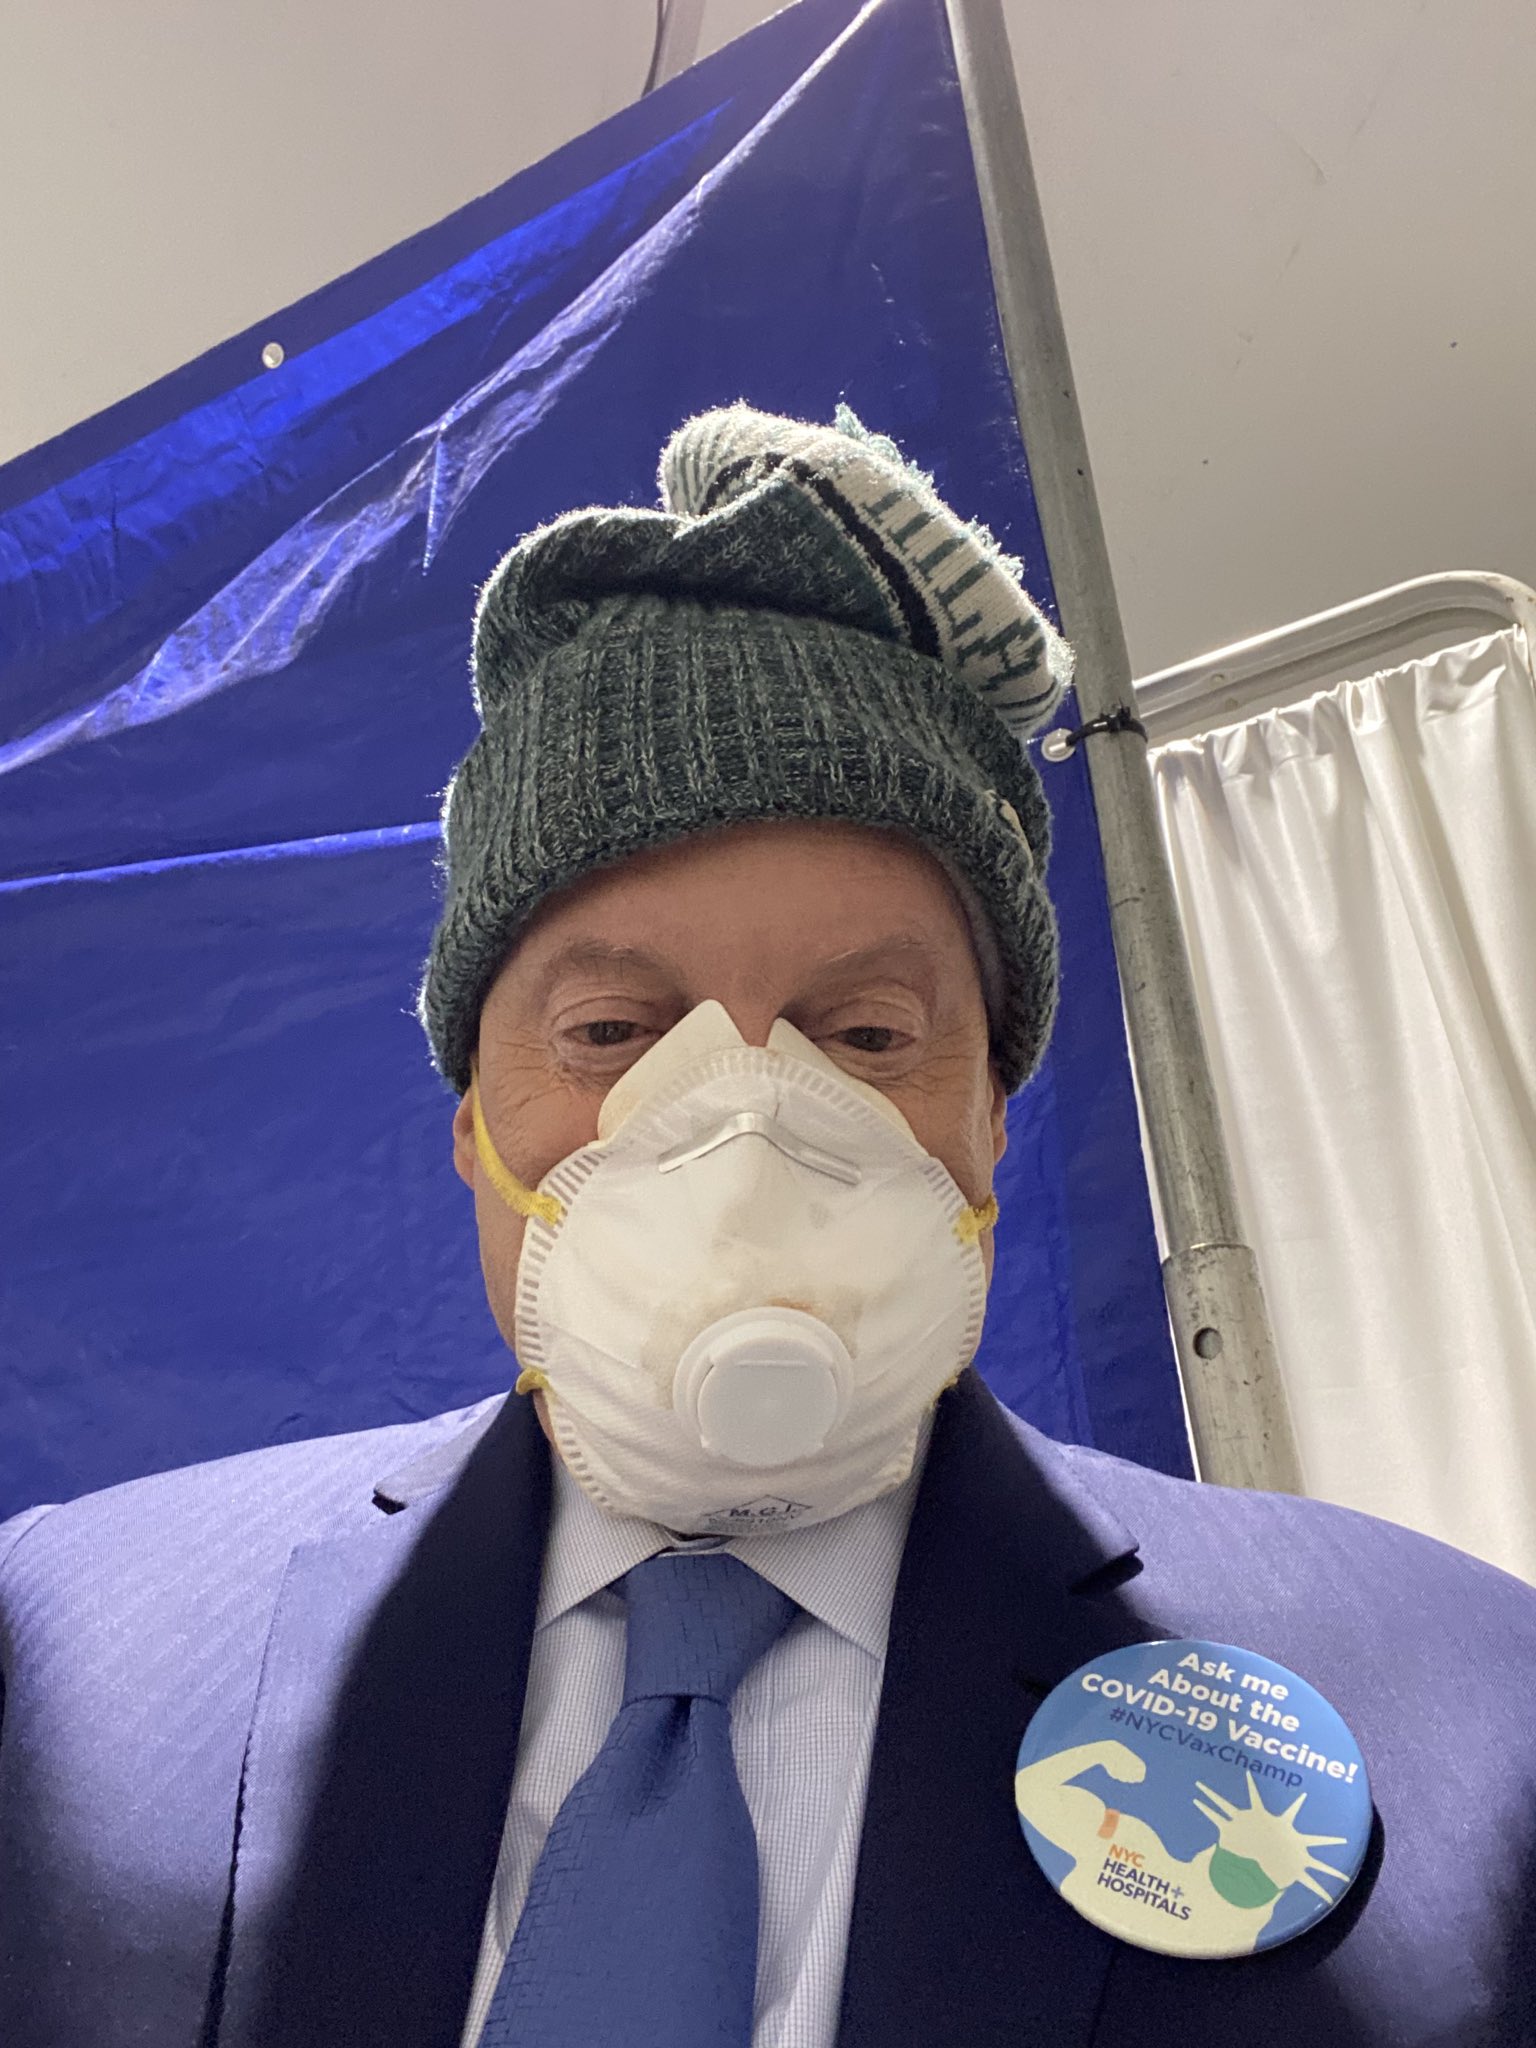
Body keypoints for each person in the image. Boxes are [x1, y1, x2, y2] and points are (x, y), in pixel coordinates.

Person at [2, 404, 1534, 2048]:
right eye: (610, 1034)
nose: (742, 1125)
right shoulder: (72, 1662)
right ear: (469, 1128)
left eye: (865, 1035)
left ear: (989, 1123)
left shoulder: (1455, 1715)